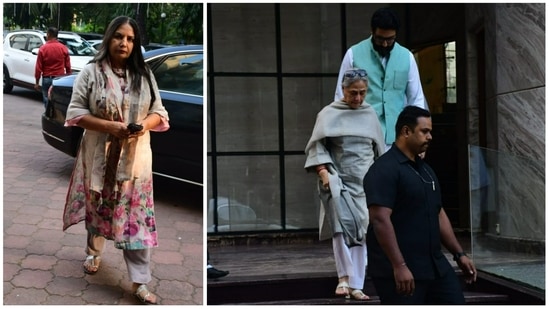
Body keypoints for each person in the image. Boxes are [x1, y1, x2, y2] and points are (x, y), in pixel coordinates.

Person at [61, 16, 170, 305]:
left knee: (137, 221)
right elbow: (75, 112)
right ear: (109, 38)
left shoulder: (144, 74)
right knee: (98, 209)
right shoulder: (91, 72)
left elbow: (160, 111)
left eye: (131, 39)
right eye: (119, 36)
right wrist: (111, 127)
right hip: (99, 157)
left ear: (136, 44)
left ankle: (139, 282)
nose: (124, 43)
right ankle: (94, 252)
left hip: (135, 162)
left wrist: (142, 126)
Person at [363, 106, 477, 304]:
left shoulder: (426, 171)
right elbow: (380, 219)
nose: (430, 136)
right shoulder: (383, 170)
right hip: (400, 270)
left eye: (430, 131)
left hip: (435, 266)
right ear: (406, 132)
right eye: (425, 131)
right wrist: (399, 265)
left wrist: (459, 254)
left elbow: (438, 212)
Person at [304, 68, 384, 300]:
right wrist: (323, 172)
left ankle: (357, 284)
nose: (358, 98)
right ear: (343, 90)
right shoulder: (328, 114)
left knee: (361, 230)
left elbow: (379, 150)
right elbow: (317, 146)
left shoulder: (370, 114)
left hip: (365, 181)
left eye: (362, 93)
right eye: (353, 93)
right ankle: (344, 278)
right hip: (337, 179)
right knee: (341, 230)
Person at [334, 7, 428, 151]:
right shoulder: (353, 54)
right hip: (363, 138)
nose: (384, 44)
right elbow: (340, 97)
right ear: (372, 32)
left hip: (399, 139)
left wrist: (420, 139)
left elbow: (416, 99)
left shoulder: (407, 57)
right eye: (380, 39)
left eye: (390, 39)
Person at [34, 27, 71, 107]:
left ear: (49, 34)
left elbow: (38, 67)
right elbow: (68, 66)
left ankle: (48, 115)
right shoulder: (63, 48)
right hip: (60, 79)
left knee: (47, 99)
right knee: (59, 100)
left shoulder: (43, 49)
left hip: (47, 78)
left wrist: (37, 82)